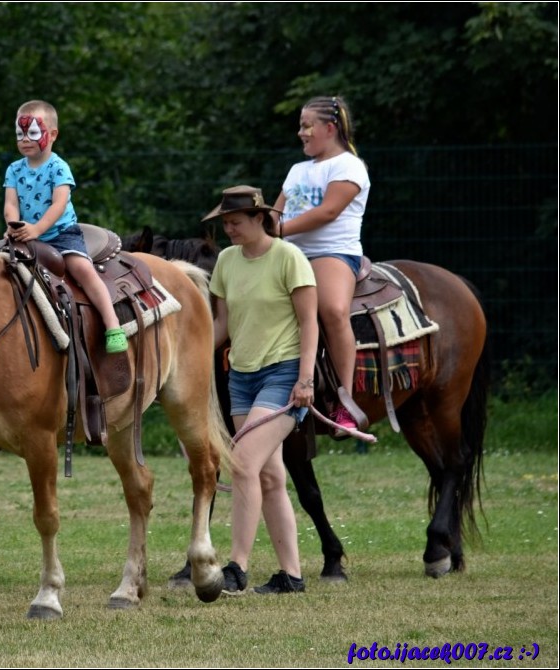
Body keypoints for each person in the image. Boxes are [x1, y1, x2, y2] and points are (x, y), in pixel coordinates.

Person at [202, 184, 318, 594]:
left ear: (258, 218)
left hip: (283, 375)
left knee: (243, 463)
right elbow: (222, 325)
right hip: (242, 376)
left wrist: (305, 380)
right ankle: (292, 576)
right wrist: (189, 358)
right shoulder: (226, 262)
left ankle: (236, 567)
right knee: (269, 475)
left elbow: (309, 323)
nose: (228, 229)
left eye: (234, 222)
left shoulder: (289, 258)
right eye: (225, 223)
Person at [271, 95, 370, 434]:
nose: (301, 133)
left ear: (330, 128)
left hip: (332, 252)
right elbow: (276, 211)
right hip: (289, 254)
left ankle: (346, 402)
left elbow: (328, 212)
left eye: (306, 126)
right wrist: (261, 229)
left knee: (332, 309)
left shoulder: (349, 166)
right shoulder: (298, 170)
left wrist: (277, 231)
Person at [3, 99, 128, 354]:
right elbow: (10, 204)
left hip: (60, 234)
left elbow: (59, 204)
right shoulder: (14, 169)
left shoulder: (58, 167)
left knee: (82, 268)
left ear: (53, 134)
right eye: (19, 133)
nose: (25, 139)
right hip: (25, 235)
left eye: (33, 132)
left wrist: (37, 229)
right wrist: (12, 225)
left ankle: (112, 323)